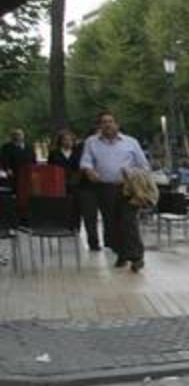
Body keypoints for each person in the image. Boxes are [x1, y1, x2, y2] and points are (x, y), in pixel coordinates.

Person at [80, 111, 152, 271]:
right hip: (105, 188)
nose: (107, 125)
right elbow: (86, 162)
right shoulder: (91, 142)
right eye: (104, 122)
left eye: (110, 121)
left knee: (129, 222)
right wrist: (89, 171)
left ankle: (136, 257)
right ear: (99, 126)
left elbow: (144, 165)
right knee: (111, 223)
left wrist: (132, 174)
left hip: (128, 187)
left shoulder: (130, 142)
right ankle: (121, 253)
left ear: (117, 124)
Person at [48, 129, 102, 252]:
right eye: (65, 140)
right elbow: (51, 170)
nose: (68, 142)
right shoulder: (54, 153)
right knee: (68, 211)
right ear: (60, 141)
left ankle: (88, 238)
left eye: (70, 140)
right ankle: (69, 234)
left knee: (85, 212)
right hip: (63, 186)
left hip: (81, 185)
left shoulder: (79, 152)